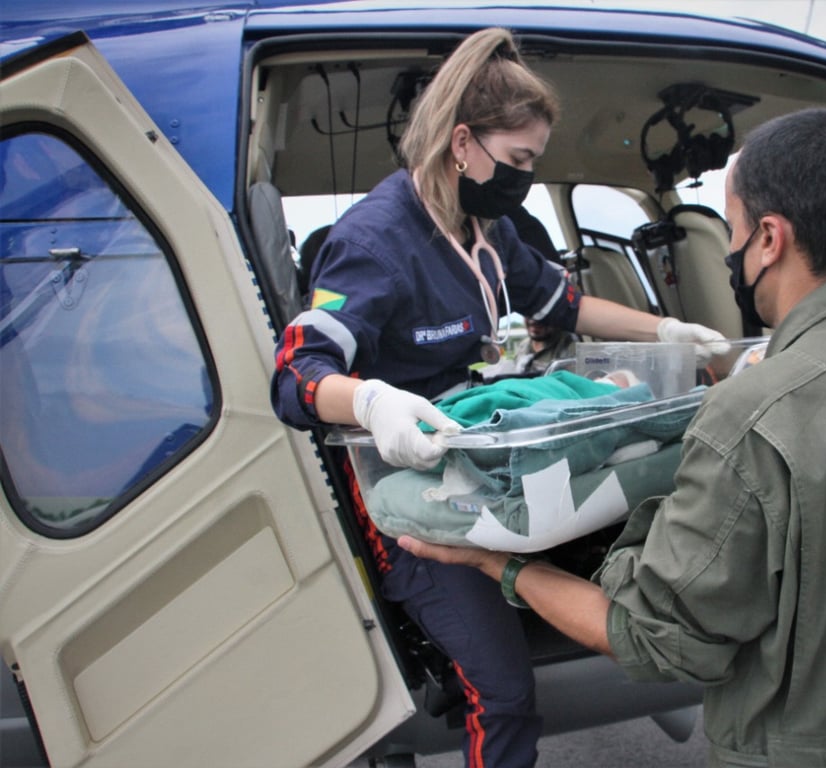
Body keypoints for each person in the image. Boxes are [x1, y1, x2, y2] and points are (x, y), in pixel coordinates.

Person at [398, 108, 826, 767]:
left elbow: (653, 637)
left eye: (732, 231)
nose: (732, 252)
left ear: (770, 238)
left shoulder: (753, 413)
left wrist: (498, 564)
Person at [269, 27, 725, 768]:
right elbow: (296, 372)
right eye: (517, 161)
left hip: (478, 459)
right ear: (461, 145)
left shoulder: (487, 228)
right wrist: (374, 403)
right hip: (411, 495)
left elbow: (566, 307)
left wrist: (670, 331)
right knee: (504, 695)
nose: (522, 178)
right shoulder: (377, 241)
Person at [513, 317, 578, 373]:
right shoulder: (522, 347)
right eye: (528, 313)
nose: (532, 320)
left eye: (540, 314)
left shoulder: (571, 345)